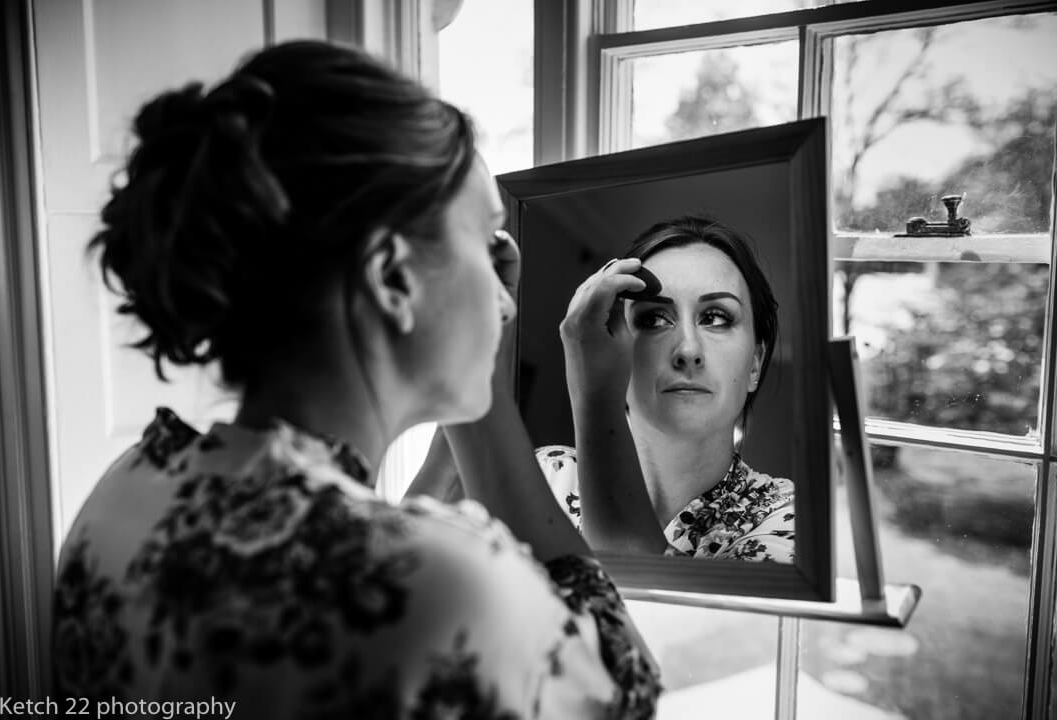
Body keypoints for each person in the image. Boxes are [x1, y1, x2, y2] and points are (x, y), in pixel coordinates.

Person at [51, 41, 660, 718]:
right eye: (485, 242)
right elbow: (621, 683)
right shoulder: (451, 589)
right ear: (392, 277)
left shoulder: (122, 499)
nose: (507, 299)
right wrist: (490, 401)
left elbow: (332, 529)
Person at [539, 216, 795, 562]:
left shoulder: (791, 518)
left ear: (755, 363)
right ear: (609, 346)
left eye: (716, 317)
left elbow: (640, 605)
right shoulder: (545, 477)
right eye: (654, 319)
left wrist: (595, 400)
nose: (688, 350)